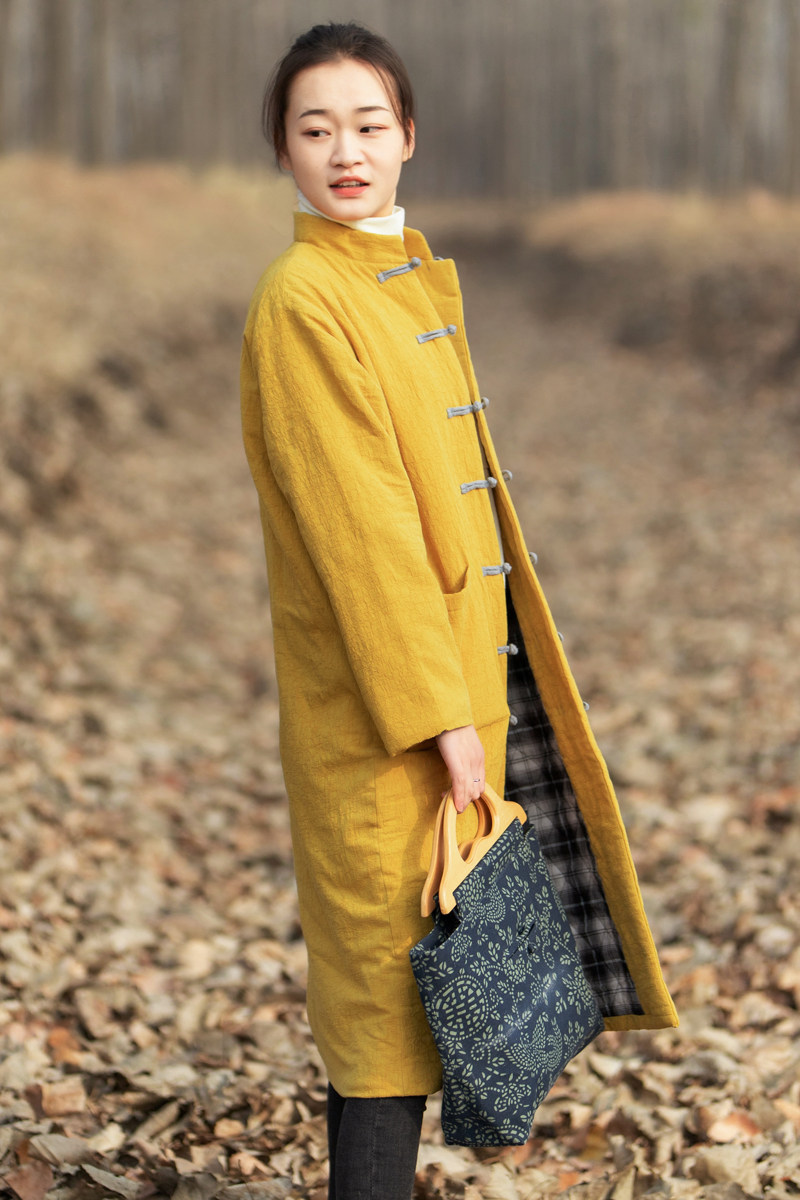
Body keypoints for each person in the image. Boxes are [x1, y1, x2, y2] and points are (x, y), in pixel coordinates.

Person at [240, 22, 677, 1200]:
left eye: (367, 125)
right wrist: (439, 717)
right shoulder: (303, 299)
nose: (344, 151)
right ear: (281, 150)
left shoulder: (400, 277)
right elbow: (365, 537)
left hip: (456, 689)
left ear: (408, 137)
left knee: (406, 995)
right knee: (381, 1011)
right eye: (314, 129)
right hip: (386, 713)